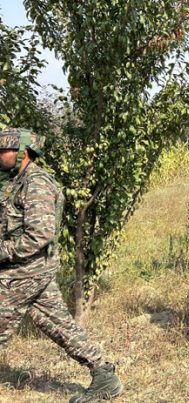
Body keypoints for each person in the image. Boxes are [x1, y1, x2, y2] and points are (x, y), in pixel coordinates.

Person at [0, 128, 122, 402]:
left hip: (25, 272)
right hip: (28, 271)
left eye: (3, 150)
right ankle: (103, 374)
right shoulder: (14, 181)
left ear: (21, 152)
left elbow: (39, 236)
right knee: (58, 323)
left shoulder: (37, 183)